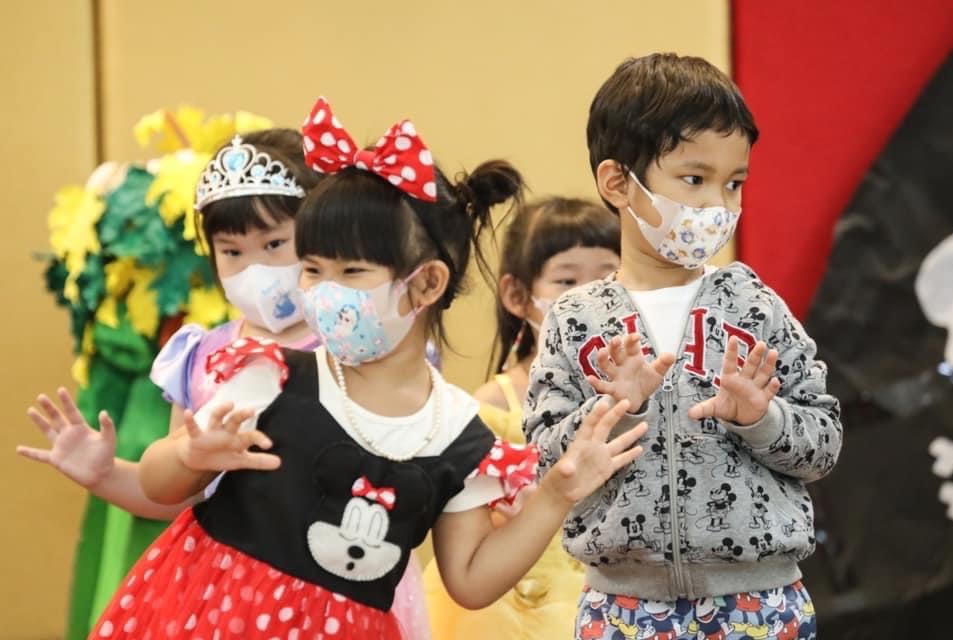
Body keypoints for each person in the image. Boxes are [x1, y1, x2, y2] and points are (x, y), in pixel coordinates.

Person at [86, 96, 648, 639]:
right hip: (209, 615)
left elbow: (471, 581)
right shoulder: (271, 375)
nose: (323, 291)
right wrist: (189, 456)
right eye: (312, 269)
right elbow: (161, 486)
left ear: (426, 283)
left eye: (352, 271)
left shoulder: (460, 435)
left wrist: (555, 494)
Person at [20, 128, 428, 638]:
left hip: (337, 595)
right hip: (222, 598)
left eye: (274, 244)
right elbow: (176, 494)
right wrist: (107, 474)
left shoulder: (364, 350)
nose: (254, 268)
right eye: (231, 251)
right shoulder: (200, 356)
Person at [524, 54, 842, 640]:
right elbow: (547, 463)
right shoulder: (574, 320)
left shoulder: (754, 305)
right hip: (622, 609)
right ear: (617, 182)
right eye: (694, 180)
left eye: (734, 183)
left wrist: (762, 418)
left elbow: (823, 444)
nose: (718, 204)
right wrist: (615, 410)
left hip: (761, 604)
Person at [422, 196, 620, 639]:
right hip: (514, 608)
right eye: (566, 281)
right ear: (518, 296)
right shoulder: (493, 406)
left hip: (613, 597)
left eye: (608, 278)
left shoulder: (634, 394)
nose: (589, 298)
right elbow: (471, 527)